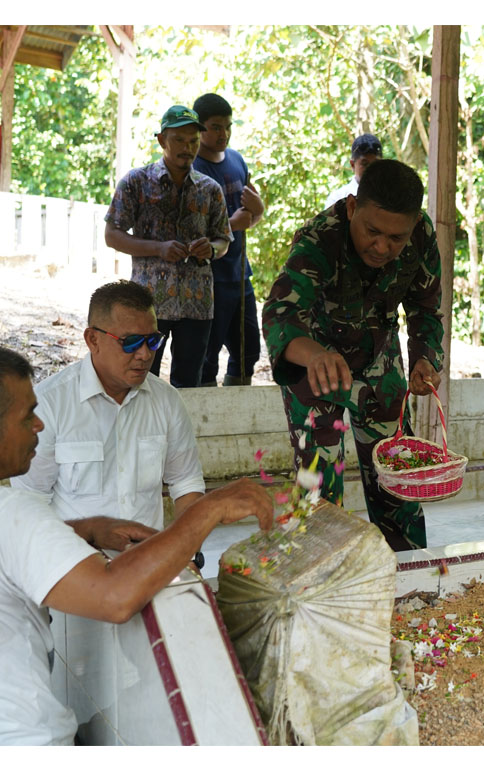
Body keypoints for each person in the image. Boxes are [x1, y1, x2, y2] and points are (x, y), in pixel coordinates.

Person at [0, 346, 272, 745]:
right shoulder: (13, 512)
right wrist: (209, 509)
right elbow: (114, 596)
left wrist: (87, 529)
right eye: (26, 416)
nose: (38, 426)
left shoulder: (164, 400)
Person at [262, 159, 443, 552]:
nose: (382, 247)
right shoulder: (320, 239)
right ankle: (327, 580)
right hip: (315, 362)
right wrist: (314, 356)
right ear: (351, 208)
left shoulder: (423, 235)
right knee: (319, 487)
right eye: (372, 231)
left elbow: (425, 308)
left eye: (396, 238)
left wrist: (425, 358)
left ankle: (409, 569)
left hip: (379, 357)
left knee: (396, 473)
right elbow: (280, 314)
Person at [11, 281, 206, 530]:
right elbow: (31, 506)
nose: (145, 354)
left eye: (153, 341)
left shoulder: (166, 400)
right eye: (132, 342)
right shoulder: (49, 404)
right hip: (72, 561)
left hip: (149, 562)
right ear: (93, 340)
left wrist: (184, 550)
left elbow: (186, 483)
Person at [104, 105, 232, 389]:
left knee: (188, 385)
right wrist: (157, 248)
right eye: (180, 140)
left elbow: (224, 240)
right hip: (147, 304)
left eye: (194, 142)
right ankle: (138, 433)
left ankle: (178, 434)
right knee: (140, 379)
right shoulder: (136, 182)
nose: (188, 148)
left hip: (197, 305)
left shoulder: (210, 189)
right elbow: (112, 235)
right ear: (162, 140)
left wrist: (210, 248)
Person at [192, 93, 266, 387]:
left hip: (239, 275)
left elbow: (249, 218)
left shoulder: (236, 160)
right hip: (208, 278)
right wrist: (230, 225)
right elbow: (190, 232)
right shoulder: (193, 169)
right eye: (215, 127)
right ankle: (207, 423)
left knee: (248, 352)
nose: (224, 134)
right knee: (206, 357)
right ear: (200, 128)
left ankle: (238, 416)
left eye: (228, 126)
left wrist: (259, 212)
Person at [324, 133, 383, 209]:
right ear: (352, 165)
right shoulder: (337, 200)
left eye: (376, 164)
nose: (371, 169)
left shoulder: (391, 198)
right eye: (365, 164)